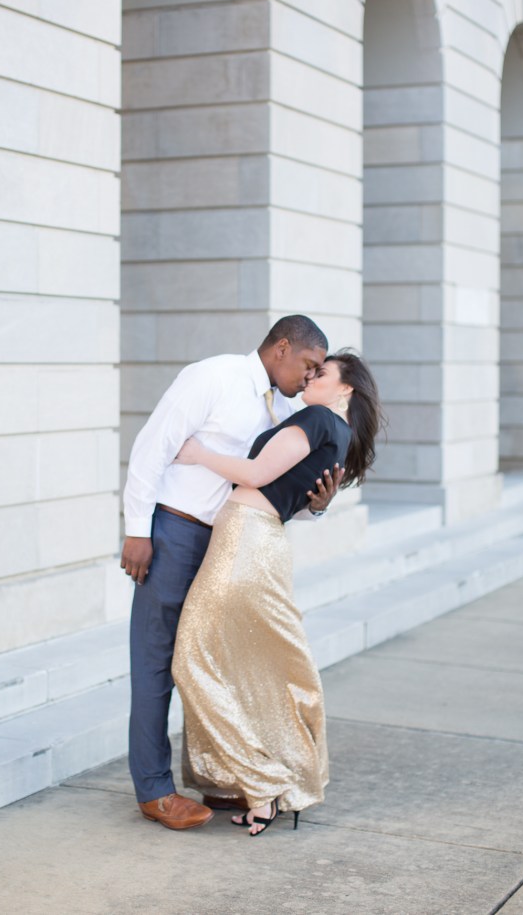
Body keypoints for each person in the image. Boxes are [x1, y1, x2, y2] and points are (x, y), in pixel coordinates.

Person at [121, 316, 344, 830]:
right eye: (308, 366)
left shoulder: (288, 409)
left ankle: (218, 774)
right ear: (282, 347)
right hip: (176, 532)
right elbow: (152, 447)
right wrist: (138, 530)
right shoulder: (213, 377)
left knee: (217, 663)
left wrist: (318, 506)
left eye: (318, 373)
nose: (309, 379)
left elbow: (272, 487)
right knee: (157, 663)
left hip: (229, 547)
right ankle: (154, 790)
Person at [171, 351, 383, 836]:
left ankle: (264, 781)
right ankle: (264, 780)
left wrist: (198, 453)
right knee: (237, 664)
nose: (311, 377)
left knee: (192, 660)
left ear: (345, 389)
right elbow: (298, 494)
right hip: (257, 542)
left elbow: (258, 474)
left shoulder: (318, 419)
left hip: (244, 541)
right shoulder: (338, 435)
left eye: (322, 373)